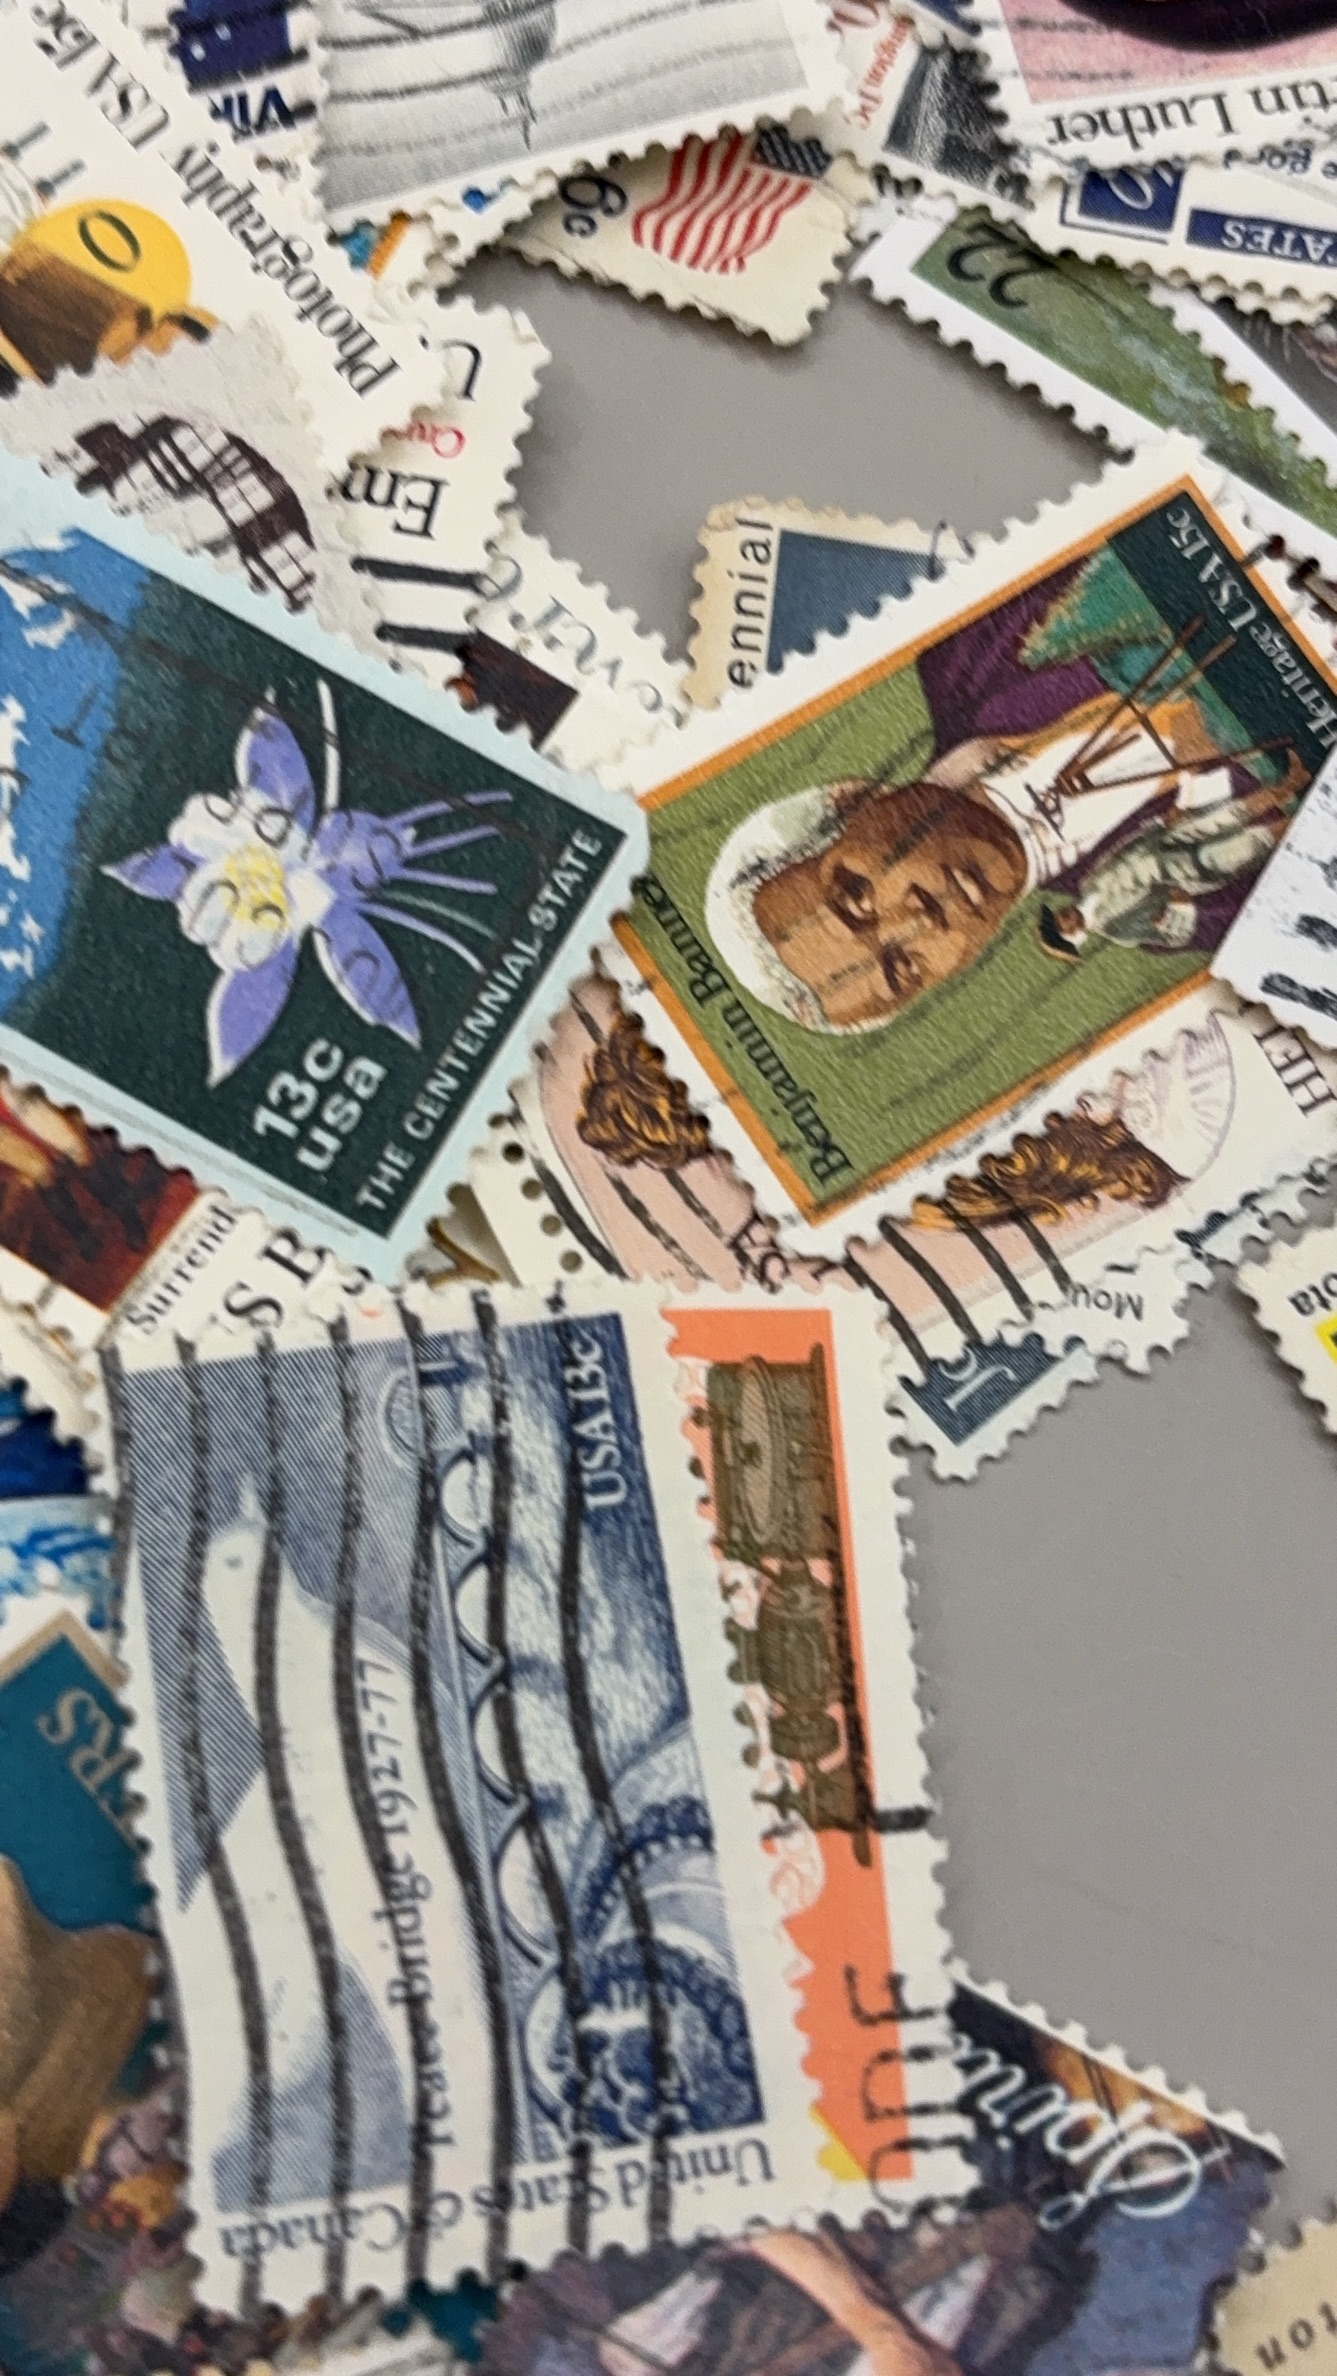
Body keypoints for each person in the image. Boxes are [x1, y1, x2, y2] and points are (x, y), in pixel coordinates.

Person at [707, 585, 1303, 1035]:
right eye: (903, 967)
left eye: (857, 897)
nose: (920, 922)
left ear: (853, 798)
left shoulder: (969, 640)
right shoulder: (1179, 910)